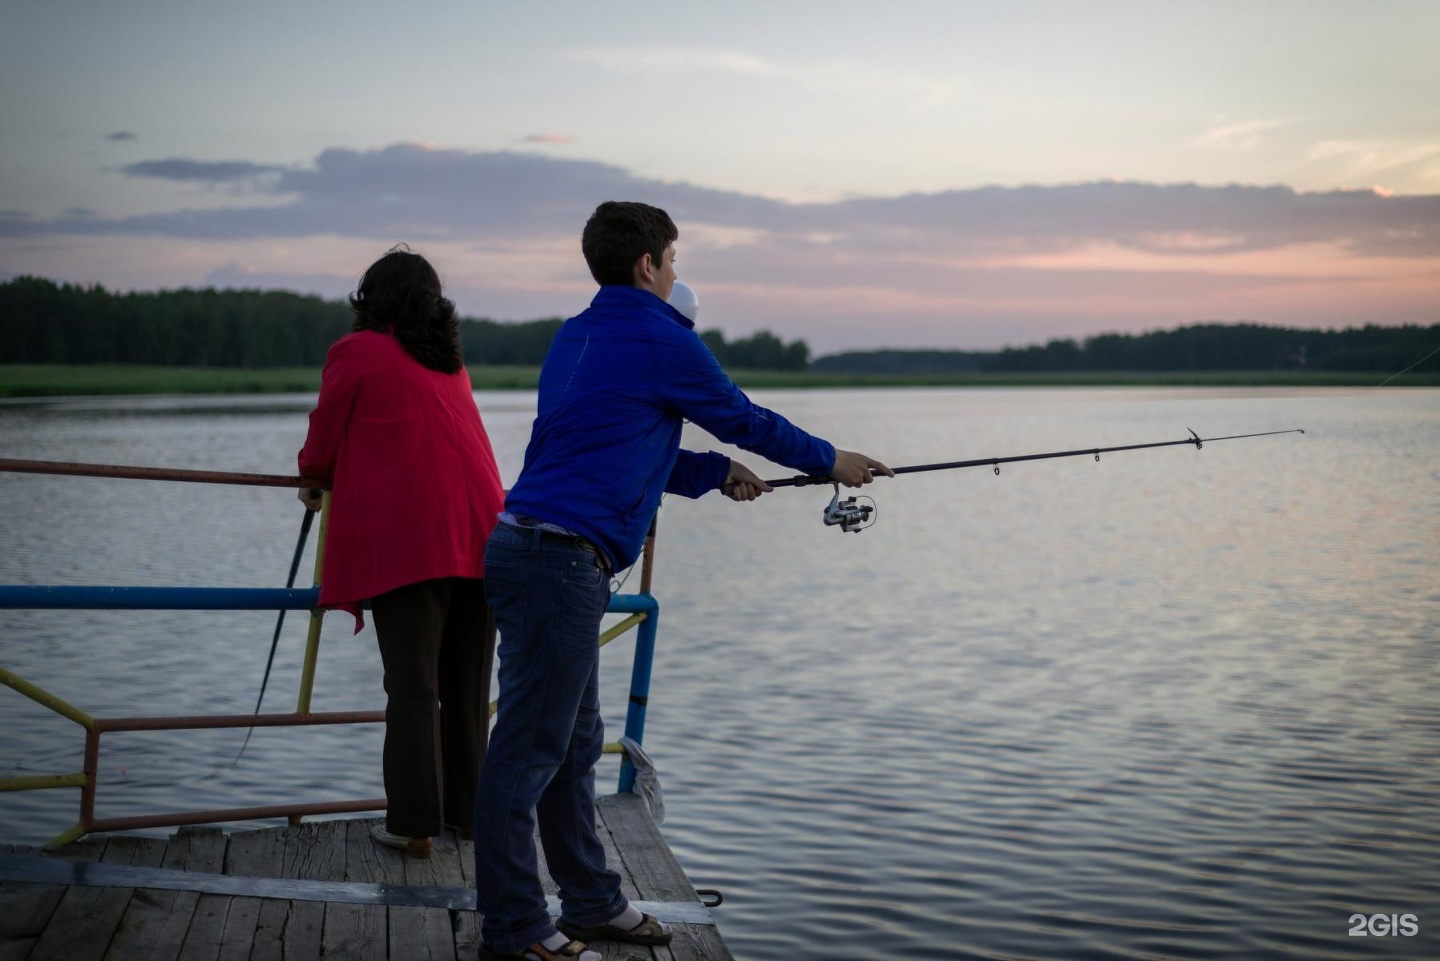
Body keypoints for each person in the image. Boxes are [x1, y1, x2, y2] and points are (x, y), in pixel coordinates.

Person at [472, 201, 892, 961]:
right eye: (672, 259)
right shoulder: (661, 336)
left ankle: (592, 900)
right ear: (648, 266)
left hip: (530, 549)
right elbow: (741, 416)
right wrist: (830, 458)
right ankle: (514, 930)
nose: (674, 272)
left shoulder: (576, 336)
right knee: (529, 750)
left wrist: (707, 473)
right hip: (561, 562)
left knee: (574, 742)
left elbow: (614, 446)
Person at [298, 246, 506, 858]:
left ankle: (415, 824)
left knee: (414, 688)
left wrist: (312, 477)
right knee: (466, 686)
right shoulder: (448, 360)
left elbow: (324, 435)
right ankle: (468, 817)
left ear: (372, 299)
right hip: (483, 531)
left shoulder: (357, 351)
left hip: (413, 538)